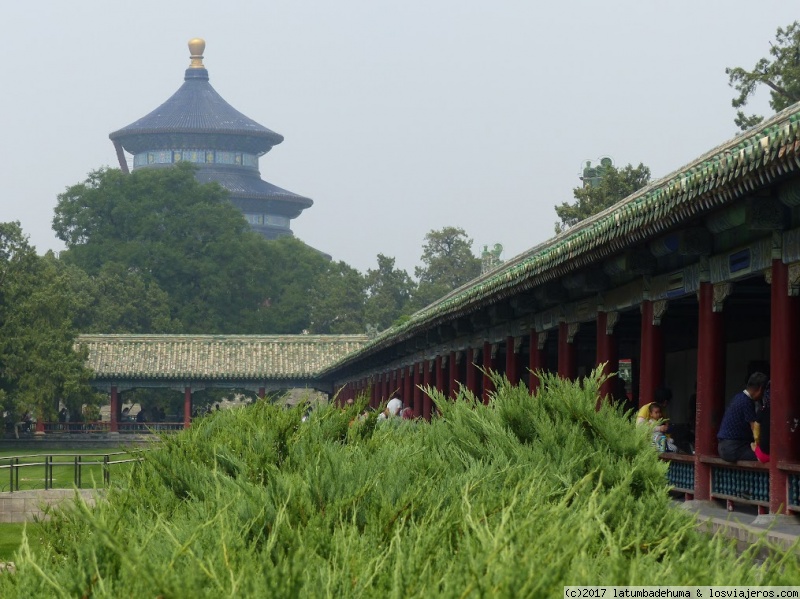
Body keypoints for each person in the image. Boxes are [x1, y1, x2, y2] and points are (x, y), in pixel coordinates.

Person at [717, 372, 767, 462]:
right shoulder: (747, 401)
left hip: (724, 446)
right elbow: (755, 429)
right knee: (764, 457)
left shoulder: (738, 397)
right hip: (734, 448)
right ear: (760, 389)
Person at [752, 381, 770, 463]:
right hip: (782, 455)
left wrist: (756, 444)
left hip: (764, 455)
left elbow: (756, 435)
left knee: (752, 445)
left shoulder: (762, 411)